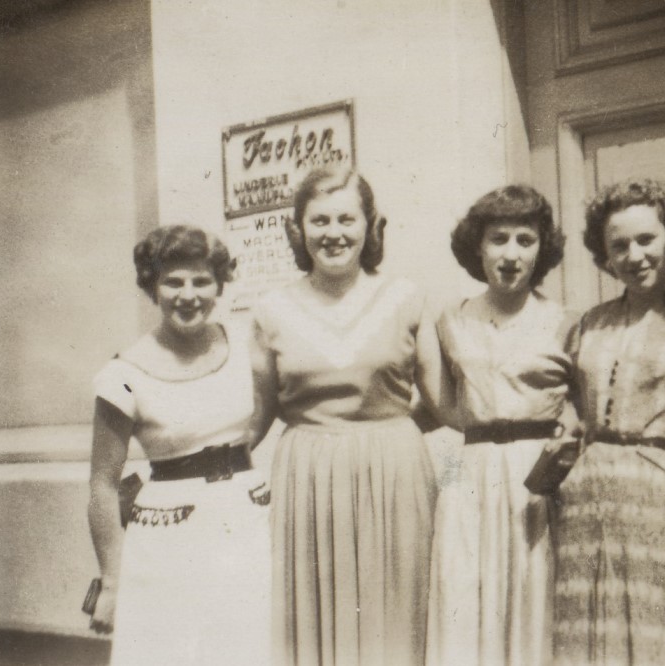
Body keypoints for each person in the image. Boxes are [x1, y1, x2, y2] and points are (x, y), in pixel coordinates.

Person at [248, 165, 439, 665]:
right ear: (297, 229)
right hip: (307, 475)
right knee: (312, 619)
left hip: (395, 473)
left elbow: (443, 402)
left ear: (371, 225)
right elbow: (257, 415)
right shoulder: (272, 310)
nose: (334, 233)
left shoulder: (406, 298)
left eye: (347, 219)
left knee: (397, 612)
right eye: (319, 221)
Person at [87, 225, 270, 666]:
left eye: (202, 280)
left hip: (246, 520)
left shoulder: (245, 346)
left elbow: (264, 415)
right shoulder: (124, 371)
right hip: (168, 538)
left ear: (219, 285)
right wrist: (111, 581)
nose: (189, 295)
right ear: (152, 284)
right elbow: (102, 484)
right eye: (173, 281)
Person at [551, 179, 665, 665]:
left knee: (662, 636)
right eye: (619, 245)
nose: (635, 255)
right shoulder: (587, 323)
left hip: (662, 495)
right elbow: (568, 402)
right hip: (586, 500)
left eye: (646, 240)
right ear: (604, 255)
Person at [423, 185, 573, 666]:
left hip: (537, 478)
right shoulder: (450, 320)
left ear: (541, 248)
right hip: (468, 474)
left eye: (525, 240)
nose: (511, 254)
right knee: (464, 596)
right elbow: (440, 406)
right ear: (478, 247)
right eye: (498, 239)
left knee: (533, 597)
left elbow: (584, 408)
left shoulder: (566, 322)